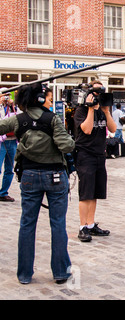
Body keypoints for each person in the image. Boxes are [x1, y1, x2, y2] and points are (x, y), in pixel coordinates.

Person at [0, 83, 75, 284]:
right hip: (55, 176)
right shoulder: (52, 119)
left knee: (27, 224)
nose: (51, 102)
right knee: (58, 224)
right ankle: (60, 272)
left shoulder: (17, 120)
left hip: (29, 175)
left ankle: (24, 274)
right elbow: (66, 145)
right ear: (40, 99)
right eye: (49, 99)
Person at [73, 80, 116, 242]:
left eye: (101, 92)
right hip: (85, 155)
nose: (98, 95)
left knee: (95, 192)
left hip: (99, 155)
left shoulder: (103, 111)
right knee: (85, 193)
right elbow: (87, 129)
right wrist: (90, 109)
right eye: (96, 92)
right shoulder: (81, 111)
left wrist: (106, 111)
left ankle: (91, 224)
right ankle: (82, 226)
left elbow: (112, 129)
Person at [0, 92, 18, 202]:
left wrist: (13, 106)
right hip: (1, 141)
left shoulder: (13, 107)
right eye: (4, 95)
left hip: (12, 141)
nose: (6, 98)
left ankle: (3, 192)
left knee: (9, 169)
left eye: (8, 95)